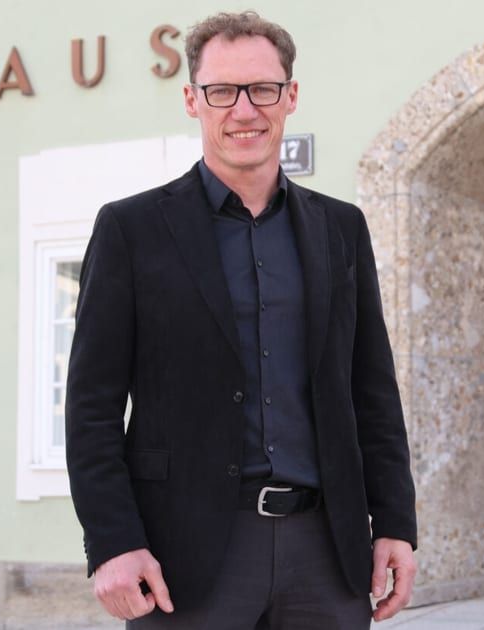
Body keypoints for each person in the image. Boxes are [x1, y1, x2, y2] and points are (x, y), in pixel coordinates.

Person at [66, 11, 417, 628]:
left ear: (291, 96)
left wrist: (393, 523)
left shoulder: (341, 229)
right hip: (186, 556)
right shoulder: (131, 230)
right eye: (222, 91)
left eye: (262, 89)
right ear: (192, 100)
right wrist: (112, 541)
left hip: (326, 554)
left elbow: (372, 391)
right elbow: (90, 406)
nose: (244, 110)